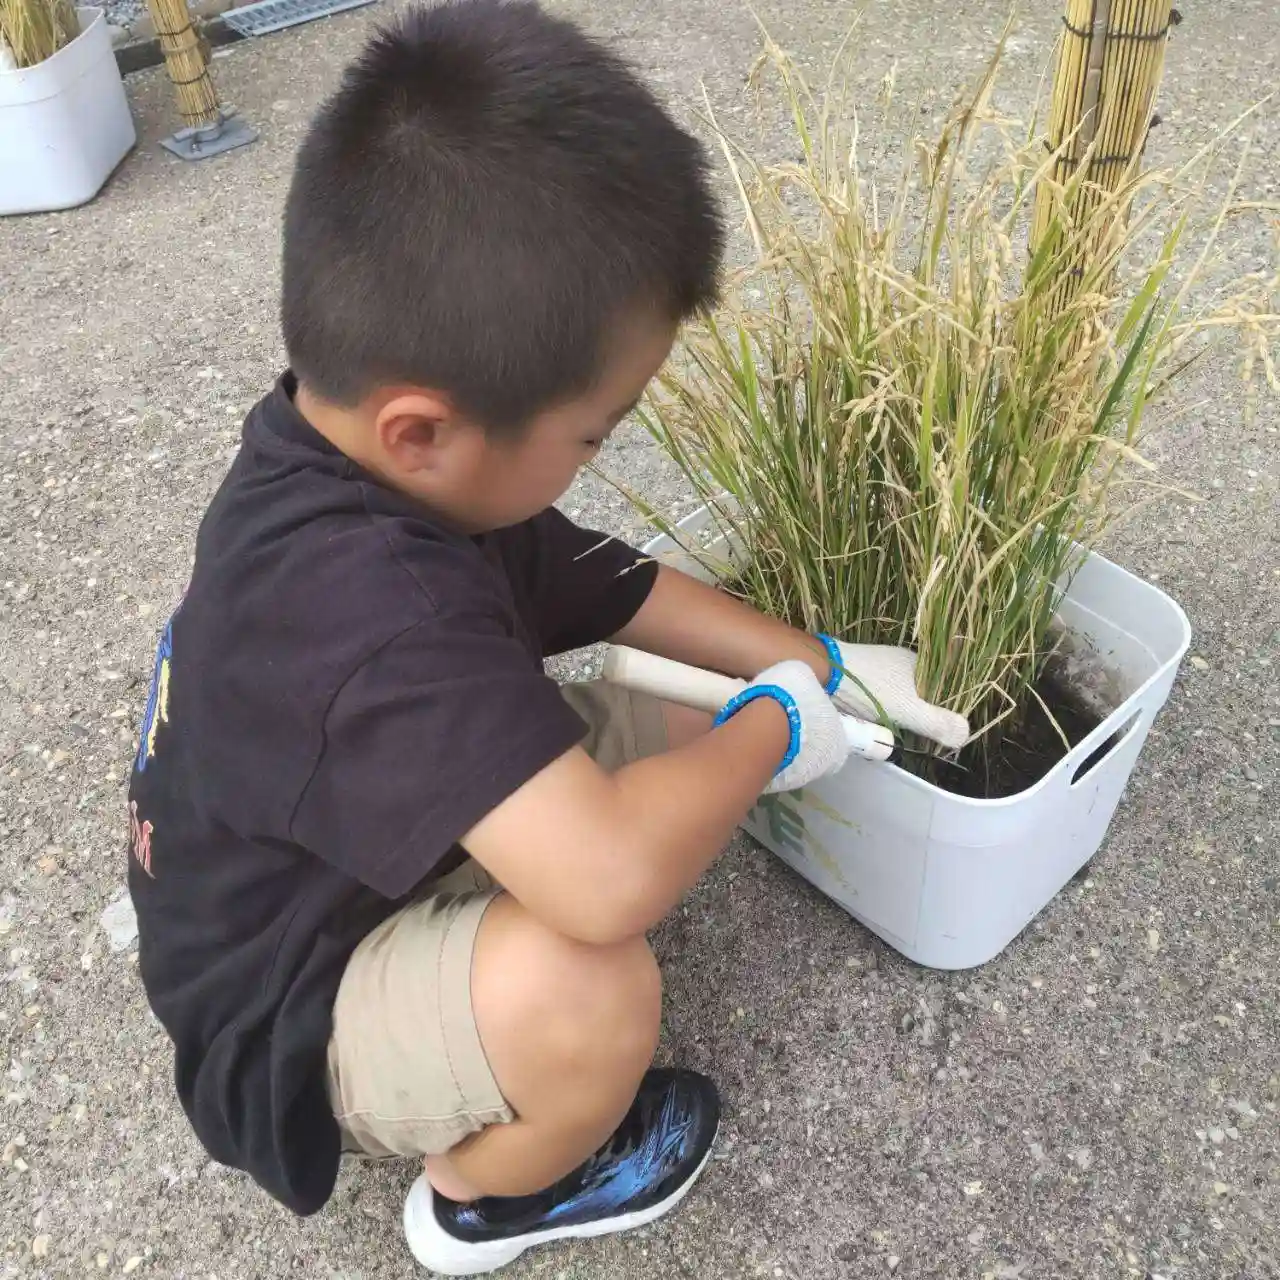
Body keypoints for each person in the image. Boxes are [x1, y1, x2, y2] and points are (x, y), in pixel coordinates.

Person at [125, 2, 968, 1274]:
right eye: (591, 434)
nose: (593, 459)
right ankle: (488, 1197)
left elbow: (602, 582)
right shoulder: (368, 612)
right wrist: (773, 724)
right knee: (591, 991)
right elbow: (608, 879)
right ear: (423, 428)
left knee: (673, 728)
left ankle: (505, 957)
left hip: (337, 836)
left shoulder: (363, 459)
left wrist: (813, 656)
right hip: (296, 983)